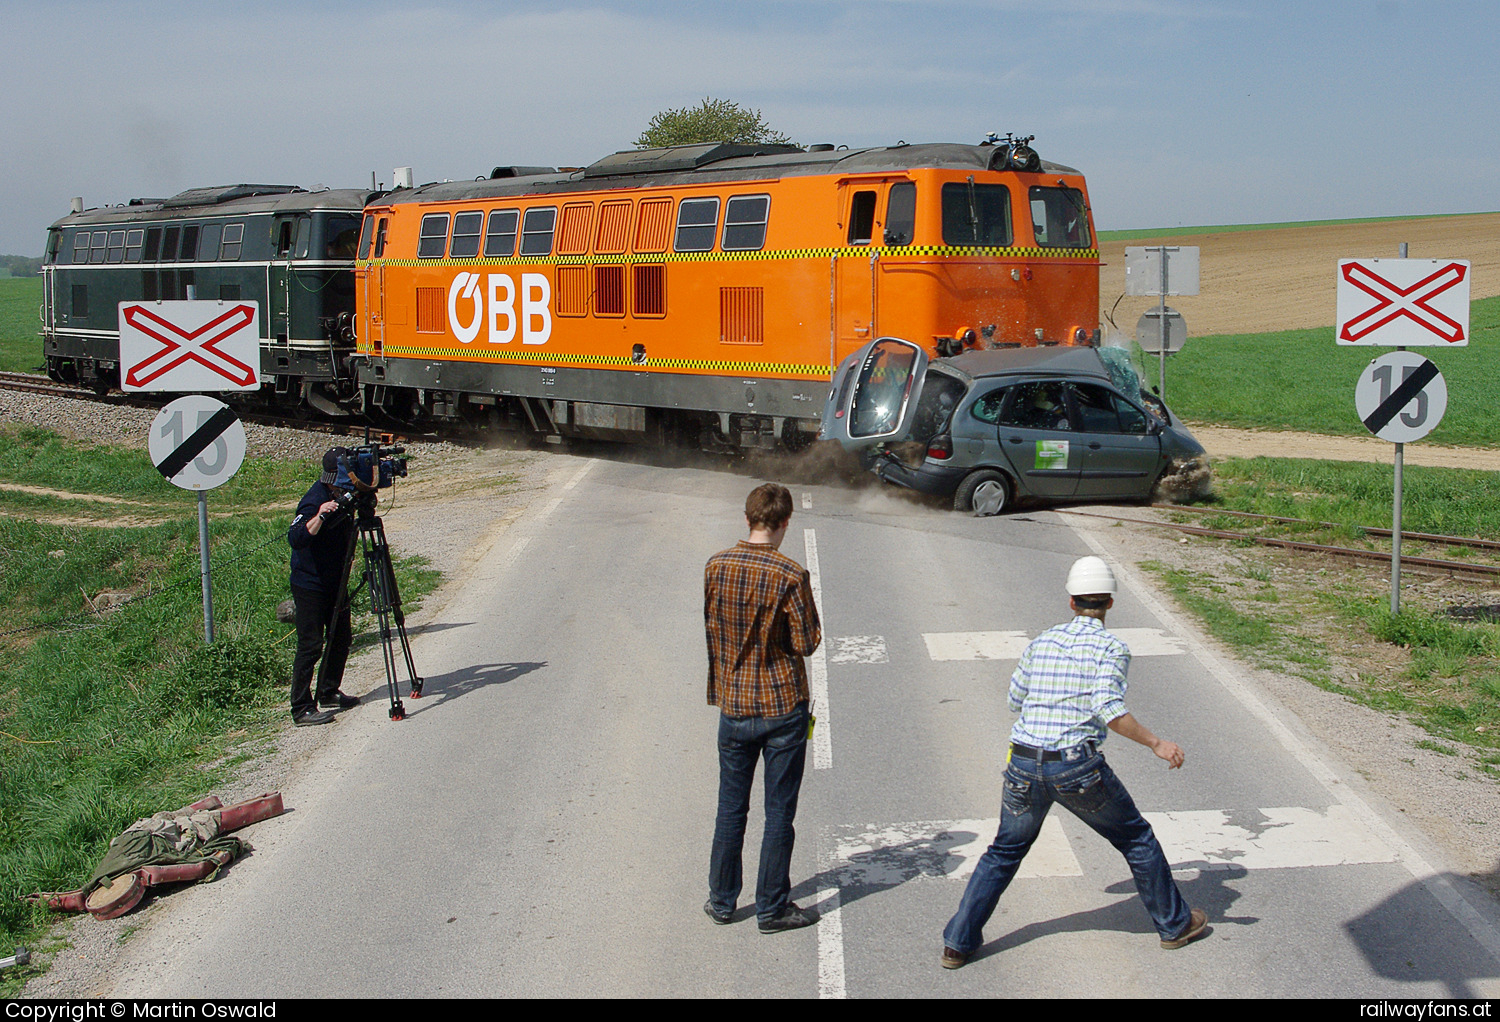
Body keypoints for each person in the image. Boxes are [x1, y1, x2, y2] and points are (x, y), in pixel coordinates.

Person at [940, 555, 1208, 968]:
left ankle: (958, 942)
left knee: (1004, 851)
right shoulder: (1111, 647)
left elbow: (1015, 700)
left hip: (1024, 765)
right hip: (1076, 768)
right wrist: (1156, 743)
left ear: (1071, 601)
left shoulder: (1042, 641)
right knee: (1136, 840)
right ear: (1110, 604)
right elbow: (1108, 708)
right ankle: (1174, 925)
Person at [703, 483, 823, 933]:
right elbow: (807, 642)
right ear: (785, 523)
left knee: (730, 808)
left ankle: (722, 901)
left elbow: (712, 626)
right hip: (781, 708)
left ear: (748, 518)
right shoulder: (790, 574)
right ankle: (772, 908)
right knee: (779, 812)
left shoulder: (717, 565)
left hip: (734, 706)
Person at [286, 448, 363, 726]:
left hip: (334, 580)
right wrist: (319, 515)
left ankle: (328, 691)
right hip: (310, 584)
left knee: (341, 637)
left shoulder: (344, 496)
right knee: (311, 645)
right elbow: (295, 538)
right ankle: (301, 707)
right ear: (330, 479)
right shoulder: (314, 500)